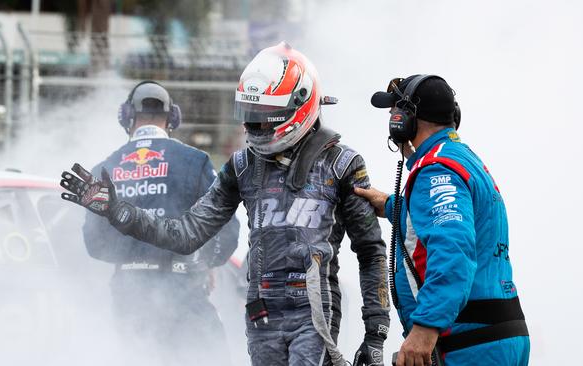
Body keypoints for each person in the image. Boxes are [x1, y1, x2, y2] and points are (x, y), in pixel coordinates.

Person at [60, 43, 390, 366]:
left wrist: (376, 333)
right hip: (260, 314)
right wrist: (118, 211)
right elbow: (185, 235)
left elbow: (371, 249)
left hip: (314, 313)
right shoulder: (242, 164)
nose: (254, 126)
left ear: (299, 105)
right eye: (249, 115)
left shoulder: (343, 163)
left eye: (264, 116)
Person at [357, 75, 530, 366]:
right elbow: (444, 222)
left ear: (406, 120)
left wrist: (425, 328)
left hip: (469, 345)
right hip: (489, 336)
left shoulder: (438, 170)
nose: (391, 121)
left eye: (394, 114)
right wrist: (390, 205)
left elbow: (453, 249)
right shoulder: (459, 158)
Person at [78, 81, 240, 365]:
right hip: (185, 293)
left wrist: (133, 255)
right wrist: (205, 261)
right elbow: (227, 231)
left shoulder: (103, 169)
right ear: (172, 118)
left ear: (126, 117)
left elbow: (94, 244)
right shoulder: (195, 161)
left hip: (129, 300)